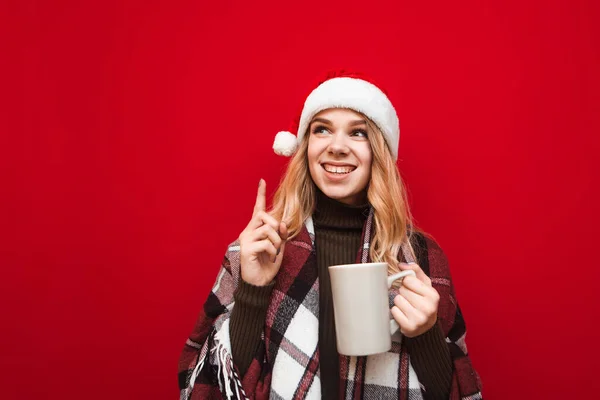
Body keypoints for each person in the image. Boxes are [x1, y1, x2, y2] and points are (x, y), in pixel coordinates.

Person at [178, 71, 483, 400]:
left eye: (358, 133)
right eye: (322, 129)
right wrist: (252, 292)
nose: (337, 147)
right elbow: (206, 390)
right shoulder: (261, 247)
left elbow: (456, 392)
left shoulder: (420, 256)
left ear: (378, 152)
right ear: (305, 146)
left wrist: (425, 335)